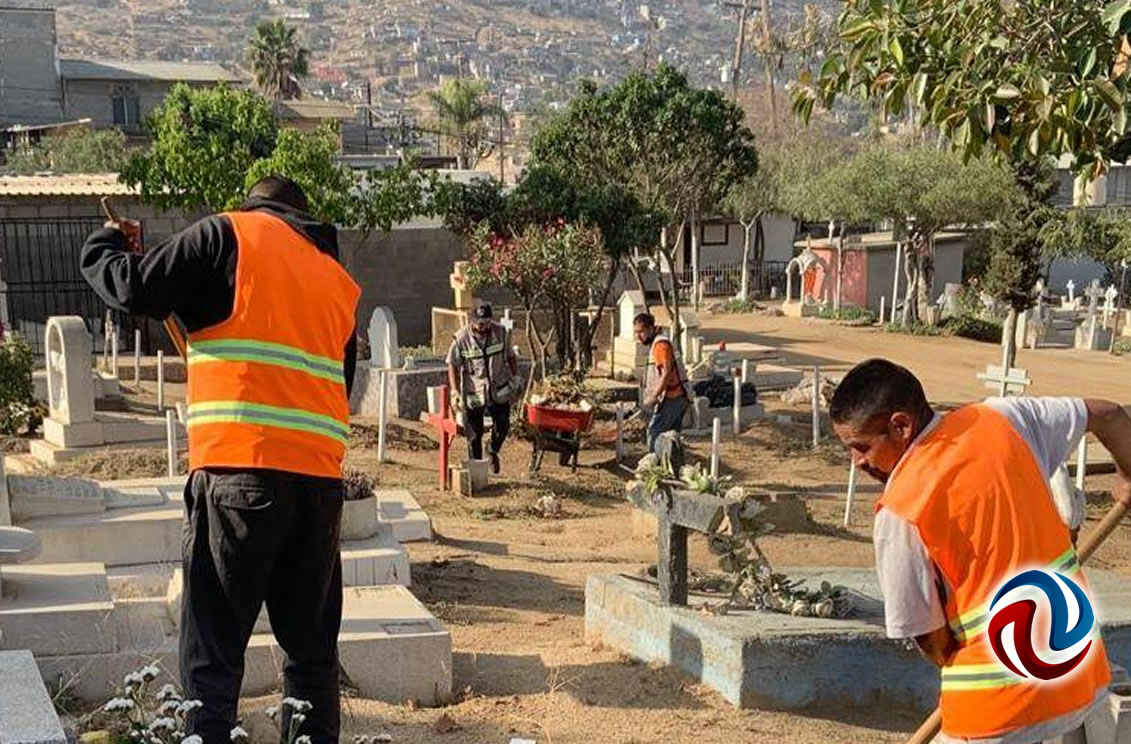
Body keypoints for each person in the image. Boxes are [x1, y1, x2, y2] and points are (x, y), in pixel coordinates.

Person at [80, 176, 359, 744]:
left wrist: (103, 244)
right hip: (318, 484)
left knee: (213, 658)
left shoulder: (226, 235)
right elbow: (340, 381)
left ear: (254, 205)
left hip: (238, 472)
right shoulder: (336, 278)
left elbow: (134, 287)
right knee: (311, 658)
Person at [830, 358, 1131, 744]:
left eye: (861, 447)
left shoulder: (901, 511)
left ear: (900, 426)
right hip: (1077, 681)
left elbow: (931, 640)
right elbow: (1108, 414)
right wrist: (1127, 475)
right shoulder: (1003, 419)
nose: (857, 462)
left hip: (995, 712)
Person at [447, 302, 519, 474]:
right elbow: (452, 364)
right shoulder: (461, 339)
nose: (484, 327)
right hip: (474, 391)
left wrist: (515, 376)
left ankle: (492, 449)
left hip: (498, 388)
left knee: (503, 425)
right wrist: (455, 391)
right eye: (480, 324)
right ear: (472, 321)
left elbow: (510, 355)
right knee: (474, 435)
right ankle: (477, 473)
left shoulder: (501, 333)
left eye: (487, 323)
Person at [633, 312, 690, 451]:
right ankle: (671, 462)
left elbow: (666, 373)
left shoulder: (660, 345)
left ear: (651, 329)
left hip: (672, 399)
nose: (638, 336)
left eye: (641, 332)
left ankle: (658, 461)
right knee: (671, 439)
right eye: (636, 332)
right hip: (678, 398)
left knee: (654, 435)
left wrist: (654, 396)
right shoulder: (658, 343)